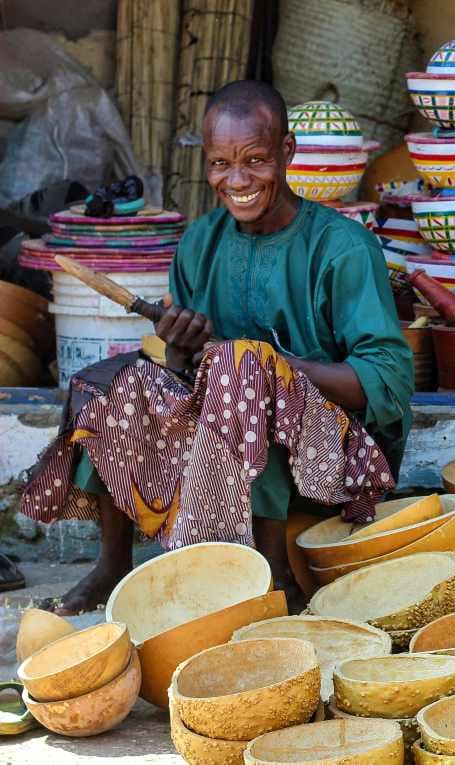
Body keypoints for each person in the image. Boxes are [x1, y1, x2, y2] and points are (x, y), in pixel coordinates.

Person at [20, 80, 414, 615]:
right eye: (220, 164)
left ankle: (277, 575)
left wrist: (277, 369)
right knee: (112, 379)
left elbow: (387, 381)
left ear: (287, 153)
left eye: (255, 161)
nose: (238, 180)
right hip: (222, 444)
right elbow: (186, 374)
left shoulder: (342, 248)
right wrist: (180, 352)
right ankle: (113, 564)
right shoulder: (200, 242)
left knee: (244, 366)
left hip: (336, 456)